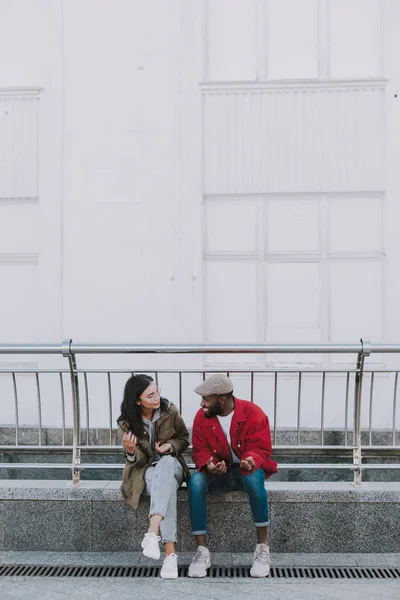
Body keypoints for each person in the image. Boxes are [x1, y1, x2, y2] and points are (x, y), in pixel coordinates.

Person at [187, 373, 278, 578]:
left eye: (206, 399)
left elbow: (261, 448)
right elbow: (199, 450)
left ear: (222, 399)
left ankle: (262, 549)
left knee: (253, 477)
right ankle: (202, 552)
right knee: (195, 481)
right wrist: (208, 465)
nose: (202, 404)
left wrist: (251, 459)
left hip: (244, 472)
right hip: (218, 474)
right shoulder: (201, 418)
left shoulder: (253, 413)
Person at [117, 374, 190, 579]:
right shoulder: (126, 423)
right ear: (137, 401)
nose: (157, 397)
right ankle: (170, 556)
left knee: (166, 464)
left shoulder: (170, 410)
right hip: (145, 473)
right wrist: (131, 450)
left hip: (173, 467)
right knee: (165, 488)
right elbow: (137, 462)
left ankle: (153, 530)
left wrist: (170, 446)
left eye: (157, 391)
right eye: (150, 395)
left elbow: (184, 439)